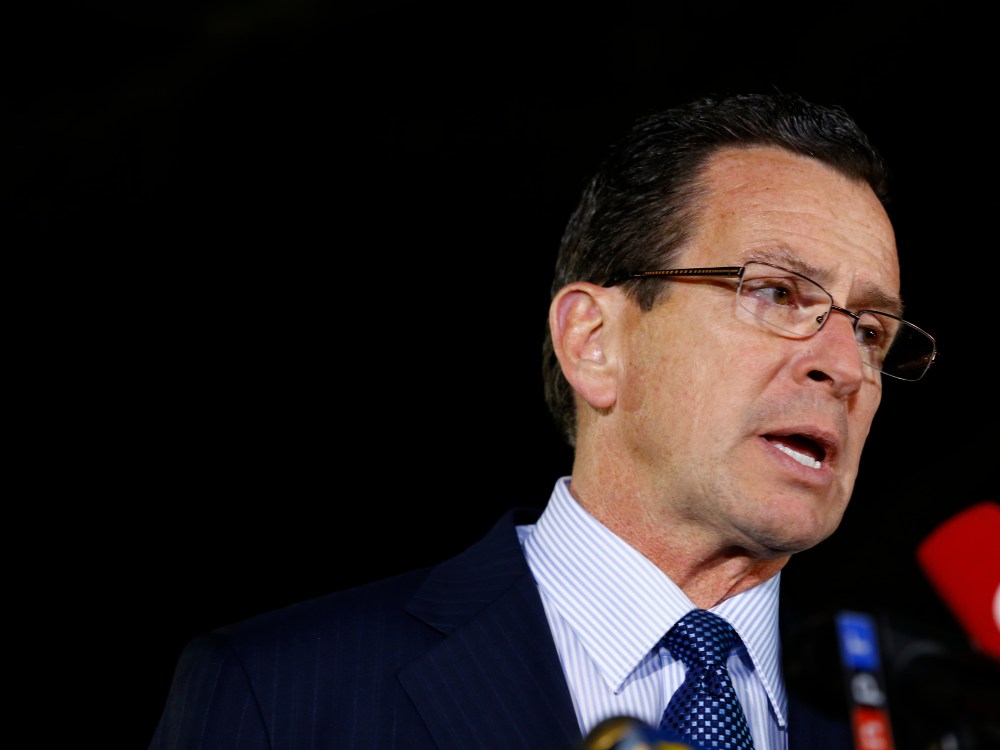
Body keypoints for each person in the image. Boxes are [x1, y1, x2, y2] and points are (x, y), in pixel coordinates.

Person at [148, 91, 938, 750]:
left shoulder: (914, 726)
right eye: (775, 293)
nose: (843, 364)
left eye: (872, 330)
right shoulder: (283, 693)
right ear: (593, 342)